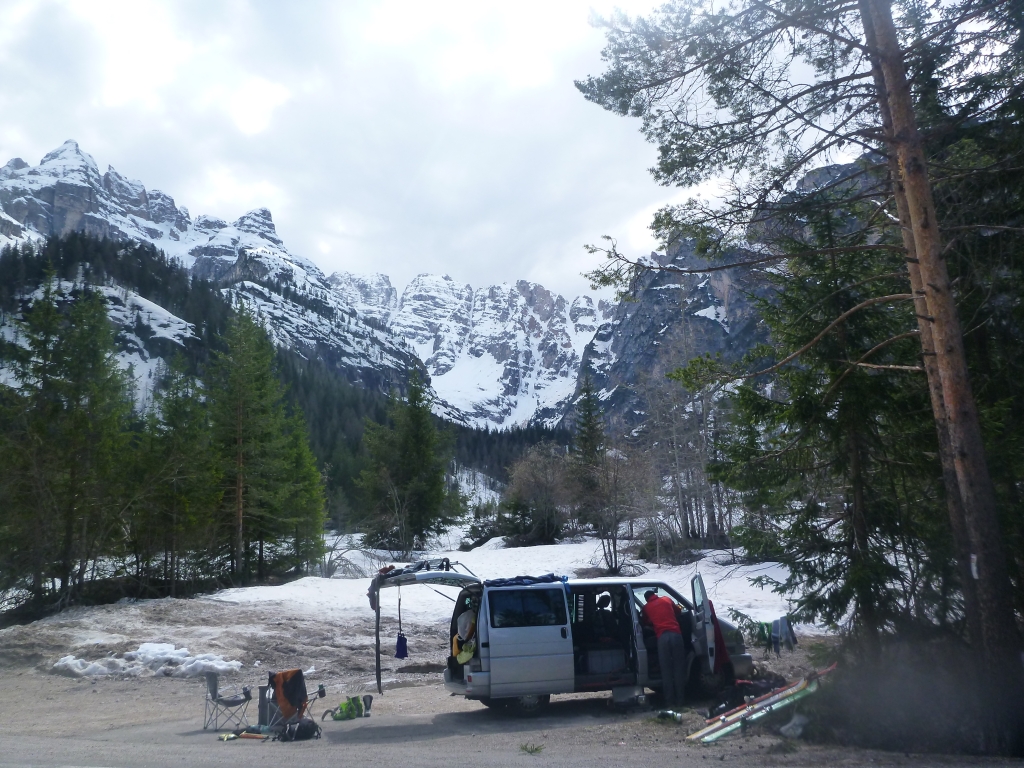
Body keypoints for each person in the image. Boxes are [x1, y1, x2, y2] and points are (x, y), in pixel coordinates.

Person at [641, 589, 687, 708]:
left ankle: (669, 702)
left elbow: (645, 622)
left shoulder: (646, 607)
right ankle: (681, 700)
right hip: (676, 635)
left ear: (646, 599)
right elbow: (678, 611)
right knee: (678, 668)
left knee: (666, 670)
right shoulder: (667, 599)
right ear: (655, 595)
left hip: (662, 638)